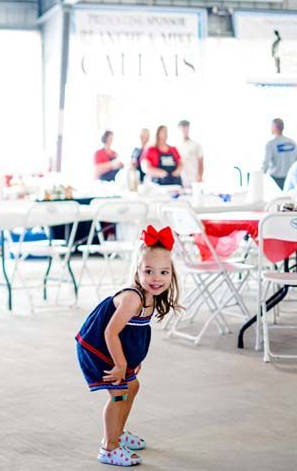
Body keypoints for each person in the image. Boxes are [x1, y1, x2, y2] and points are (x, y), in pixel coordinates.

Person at [76, 225, 181, 467]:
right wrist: (122, 364)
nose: (157, 278)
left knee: (132, 387)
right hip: (97, 346)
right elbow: (110, 331)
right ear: (137, 270)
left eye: (164, 272)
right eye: (149, 271)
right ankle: (109, 447)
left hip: (114, 345)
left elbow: (133, 332)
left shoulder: (151, 296)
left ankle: (118, 433)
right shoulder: (132, 297)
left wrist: (134, 359)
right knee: (119, 392)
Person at [262, 118, 297, 190]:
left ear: (274, 127)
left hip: (276, 179)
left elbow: (265, 163)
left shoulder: (271, 144)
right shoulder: (292, 142)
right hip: (290, 178)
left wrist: (260, 177)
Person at [176, 120, 203, 187]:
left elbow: (201, 163)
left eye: (186, 127)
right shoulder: (175, 147)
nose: (184, 129)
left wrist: (199, 178)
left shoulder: (196, 145)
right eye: (182, 127)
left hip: (193, 179)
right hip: (180, 180)